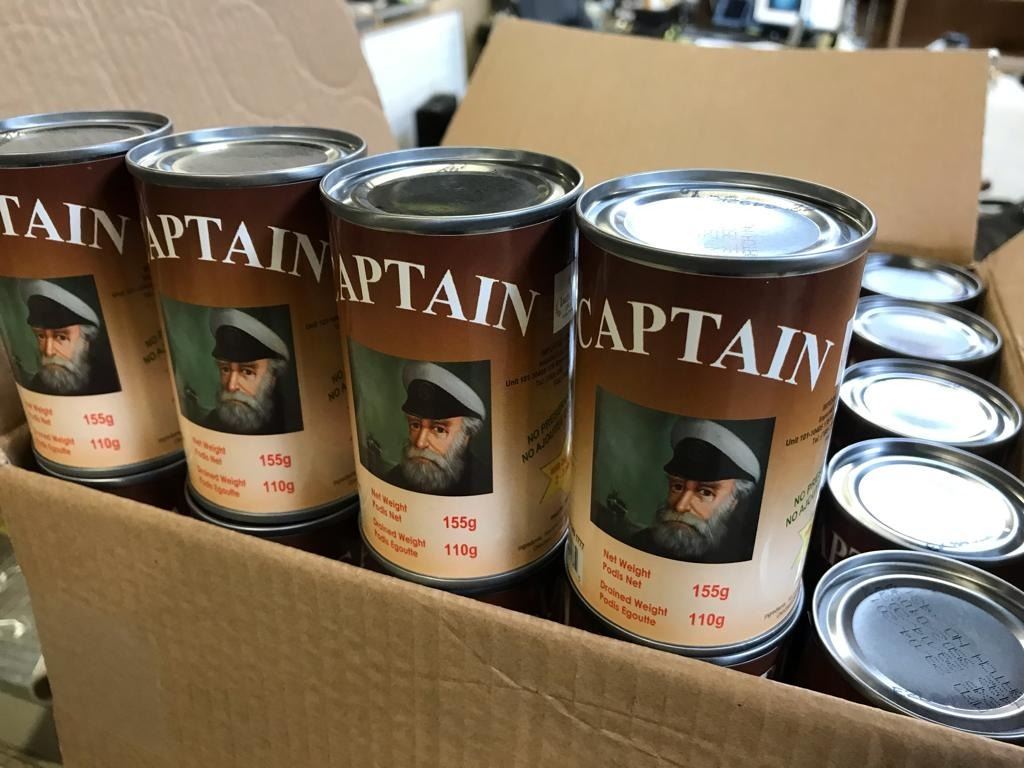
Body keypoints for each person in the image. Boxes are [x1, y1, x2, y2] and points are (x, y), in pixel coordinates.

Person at [628, 419, 762, 563]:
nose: (680, 506)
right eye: (677, 487)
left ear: (733, 503)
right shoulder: (640, 542)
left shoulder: (740, 558)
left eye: (705, 492)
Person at [384, 362, 489, 496]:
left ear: (466, 436)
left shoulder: (484, 485)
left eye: (439, 429)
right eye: (415, 425)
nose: (420, 443)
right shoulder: (393, 480)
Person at [20, 279, 118, 396]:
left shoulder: (111, 380)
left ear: (86, 340)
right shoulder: (37, 385)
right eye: (41, 336)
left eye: (61, 337)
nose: (48, 351)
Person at [202, 308, 291, 435]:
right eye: (225, 369)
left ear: (272, 377)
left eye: (247, 372)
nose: (231, 386)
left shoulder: (290, 422)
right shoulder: (211, 423)